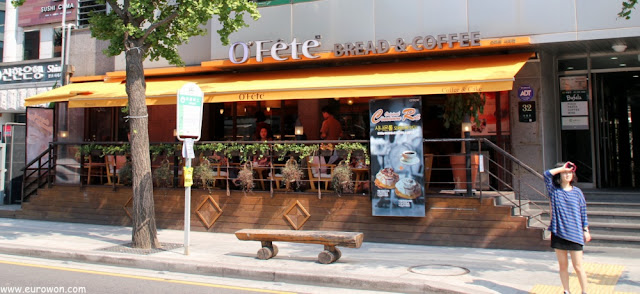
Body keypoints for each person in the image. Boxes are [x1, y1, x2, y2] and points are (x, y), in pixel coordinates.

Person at [545, 161, 590, 294]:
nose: (568, 175)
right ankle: (566, 291)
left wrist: (586, 229)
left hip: (575, 233)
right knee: (563, 265)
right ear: (559, 175)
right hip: (559, 233)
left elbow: (583, 212)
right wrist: (561, 168)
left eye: (570, 172)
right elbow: (546, 174)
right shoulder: (554, 191)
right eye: (565, 173)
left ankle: (584, 291)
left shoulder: (577, 192)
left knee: (578, 266)